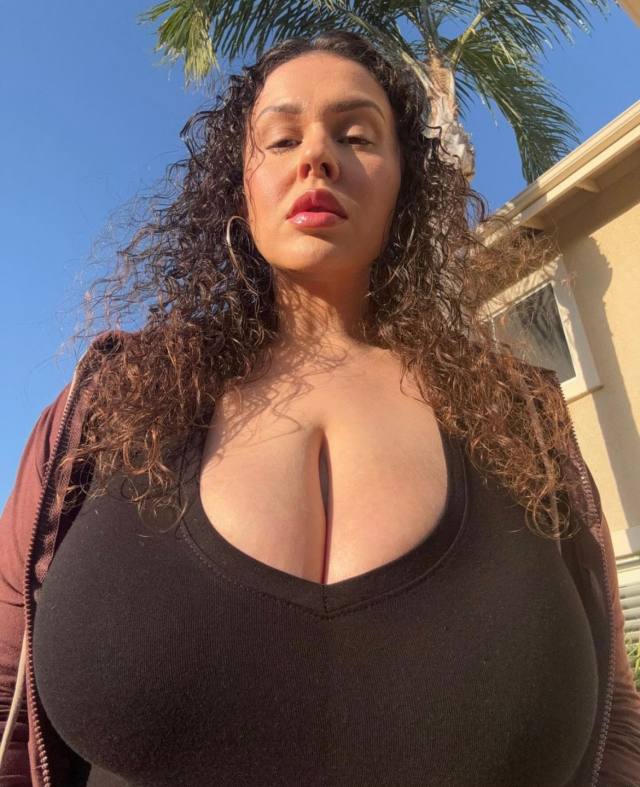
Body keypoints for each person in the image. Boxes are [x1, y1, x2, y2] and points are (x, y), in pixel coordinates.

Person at [1, 29, 639, 787]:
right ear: (240, 186)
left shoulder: (521, 416)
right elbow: (6, 688)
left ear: (404, 181)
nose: (317, 157)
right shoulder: (113, 401)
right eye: (281, 138)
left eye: (356, 135)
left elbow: (618, 730)